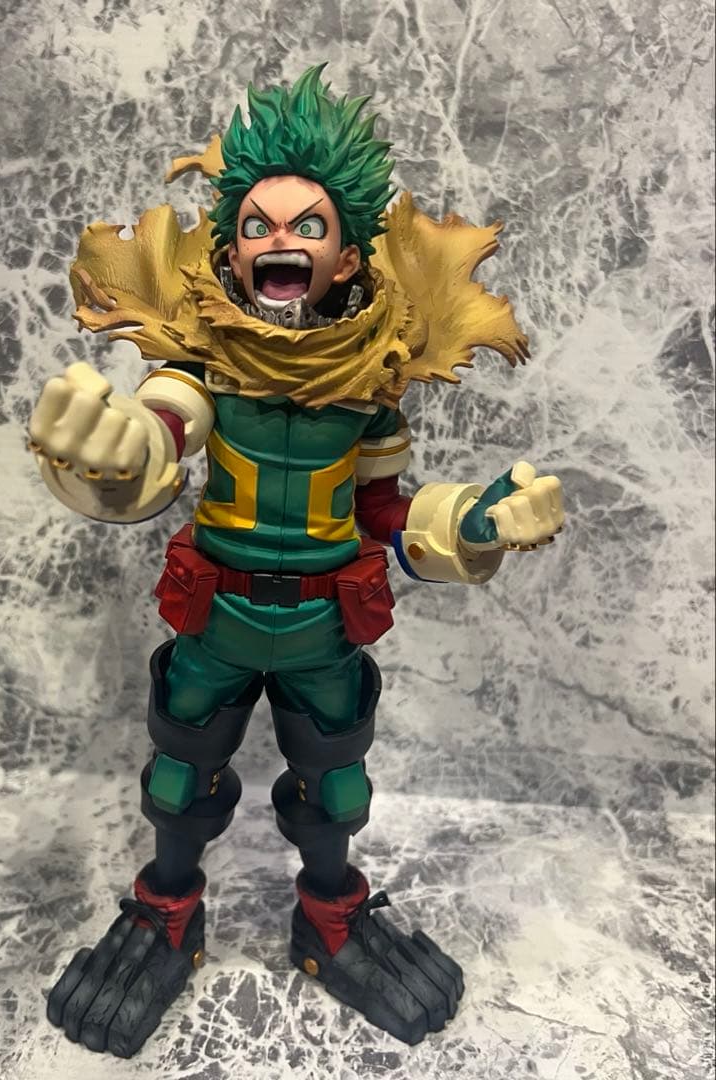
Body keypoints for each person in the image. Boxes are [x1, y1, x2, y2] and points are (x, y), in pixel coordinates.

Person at [28, 65, 564, 1059]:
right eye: (258, 225)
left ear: (348, 255)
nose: (281, 240)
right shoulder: (206, 372)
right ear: (231, 253)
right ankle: (167, 909)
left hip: (322, 626)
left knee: (338, 788)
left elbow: (389, 513)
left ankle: (330, 916)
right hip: (217, 618)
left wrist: (476, 525)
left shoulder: (369, 395)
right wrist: (109, 460)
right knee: (179, 778)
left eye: (307, 225)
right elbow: (159, 435)